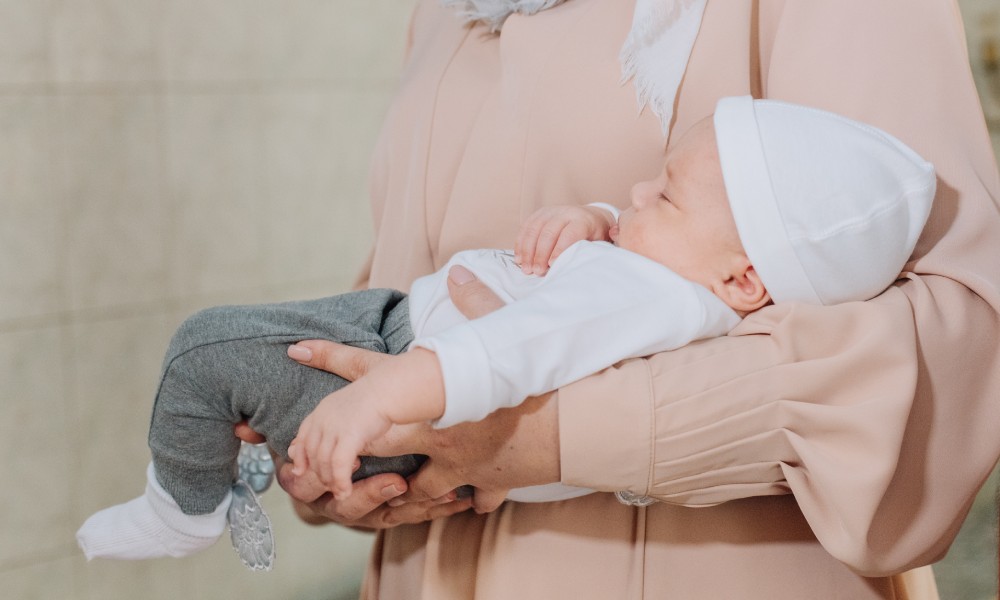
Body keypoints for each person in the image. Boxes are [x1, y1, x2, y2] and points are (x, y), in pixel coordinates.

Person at [259, 1, 1000, 599]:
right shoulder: (443, 11)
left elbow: (953, 337)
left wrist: (550, 435)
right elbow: (399, 280)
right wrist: (340, 455)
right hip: (426, 566)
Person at [75, 95, 936, 565]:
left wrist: (374, 406)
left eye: (661, 194)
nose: (633, 196)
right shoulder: (682, 281)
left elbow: (513, 348)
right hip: (403, 349)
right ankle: (240, 471)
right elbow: (629, 267)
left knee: (204, 351)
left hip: (409, 372)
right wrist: (588, 220)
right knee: (244, 379)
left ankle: (181, 508)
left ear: (745, 279)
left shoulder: (651, 296)